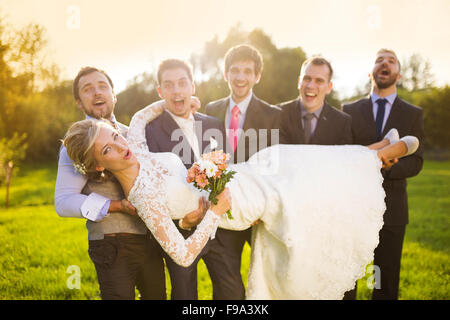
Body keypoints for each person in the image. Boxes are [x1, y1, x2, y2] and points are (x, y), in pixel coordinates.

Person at [62, 99, 420, 299]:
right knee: (293, 186)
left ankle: (368, 151)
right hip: (231, 204)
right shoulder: (145, 200)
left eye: (115, 135)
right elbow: (183, 255)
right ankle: (376, 159)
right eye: (109, 148)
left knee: (285, 157)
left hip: (235, 174)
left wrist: (180, 102)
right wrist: (213, 214)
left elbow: (140, 115)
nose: (121, 147)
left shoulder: (137, 149)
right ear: (98, 166)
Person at [54, 67, 202, 300]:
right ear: (79, 102)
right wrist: (117, 206)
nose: (96, 92)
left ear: (114, 95)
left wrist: (180, 102)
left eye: (102, 86)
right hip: (113, 244)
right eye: (87, 89)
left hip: (149, 239)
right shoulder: (77, 145)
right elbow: (63, 202)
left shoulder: (130, 134)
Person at [144, 59, 233, 300]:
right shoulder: (150, 132)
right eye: (169, 85)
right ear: (160, 91)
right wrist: (184, 222)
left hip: (221, 230)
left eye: (182, 83)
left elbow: (227, 168)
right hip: (182, 232)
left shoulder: (213, 124)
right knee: (184, 297)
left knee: (233, 293)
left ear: (192, 86)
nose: (177, 91)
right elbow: (154, 188)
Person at [342, 49, 424, 300]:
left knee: (384, 280)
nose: (384, 64)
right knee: (347, 276)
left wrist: (389, 167)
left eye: (391, 61)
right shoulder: (349, 109)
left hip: (393, 209)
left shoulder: (413, 113)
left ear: (398, 75)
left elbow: (416, 162)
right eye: (379, 60)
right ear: (371, 73)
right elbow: (344, 153)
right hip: (354, 206)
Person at [205, 44, 281, 299]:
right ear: (226, 74)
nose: (240, 77)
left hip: (259, 214)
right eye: (235, 71)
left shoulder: (273, 116)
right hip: (224, 212)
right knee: (228, 290)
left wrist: (265, 207)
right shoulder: (210, 110)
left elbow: (275, 167)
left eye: (247, 71)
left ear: (257, 76)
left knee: (269, 281)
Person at [279, 56, 352, 145]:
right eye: (307, 78)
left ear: (329, 87)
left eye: (319, 81)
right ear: (299, 82)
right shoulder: (276, 115)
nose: (310, 86)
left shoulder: (342, 123)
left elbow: (344, 157)